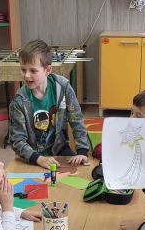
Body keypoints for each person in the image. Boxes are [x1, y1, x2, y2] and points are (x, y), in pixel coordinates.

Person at [8, 39, 91, 169]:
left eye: (33, 71)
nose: (27, 75)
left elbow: (76, 119)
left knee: (80, 171)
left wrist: (82, 151)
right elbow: (17, 140)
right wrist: (38, 159)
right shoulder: (19, 101)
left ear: (47, 70)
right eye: (23, 70)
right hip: (32, 155)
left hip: (60, 149)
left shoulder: (63, 87)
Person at [92, 87, 145, 160]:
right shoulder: (127, 131)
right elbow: (98, 151)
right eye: (131, 112)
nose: (131, 118)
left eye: (138, 116)